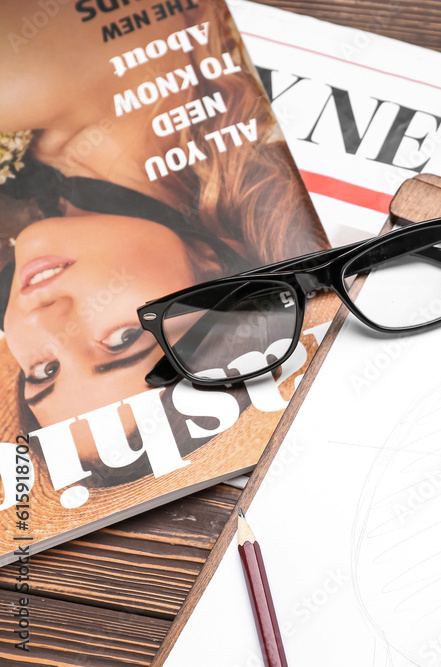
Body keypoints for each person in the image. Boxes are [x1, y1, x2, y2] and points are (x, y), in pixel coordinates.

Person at [0, 0, 329, 485]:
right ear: (211, 263)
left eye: (44, 372)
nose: (43, 320)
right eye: (123, 339)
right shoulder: (28, 78)